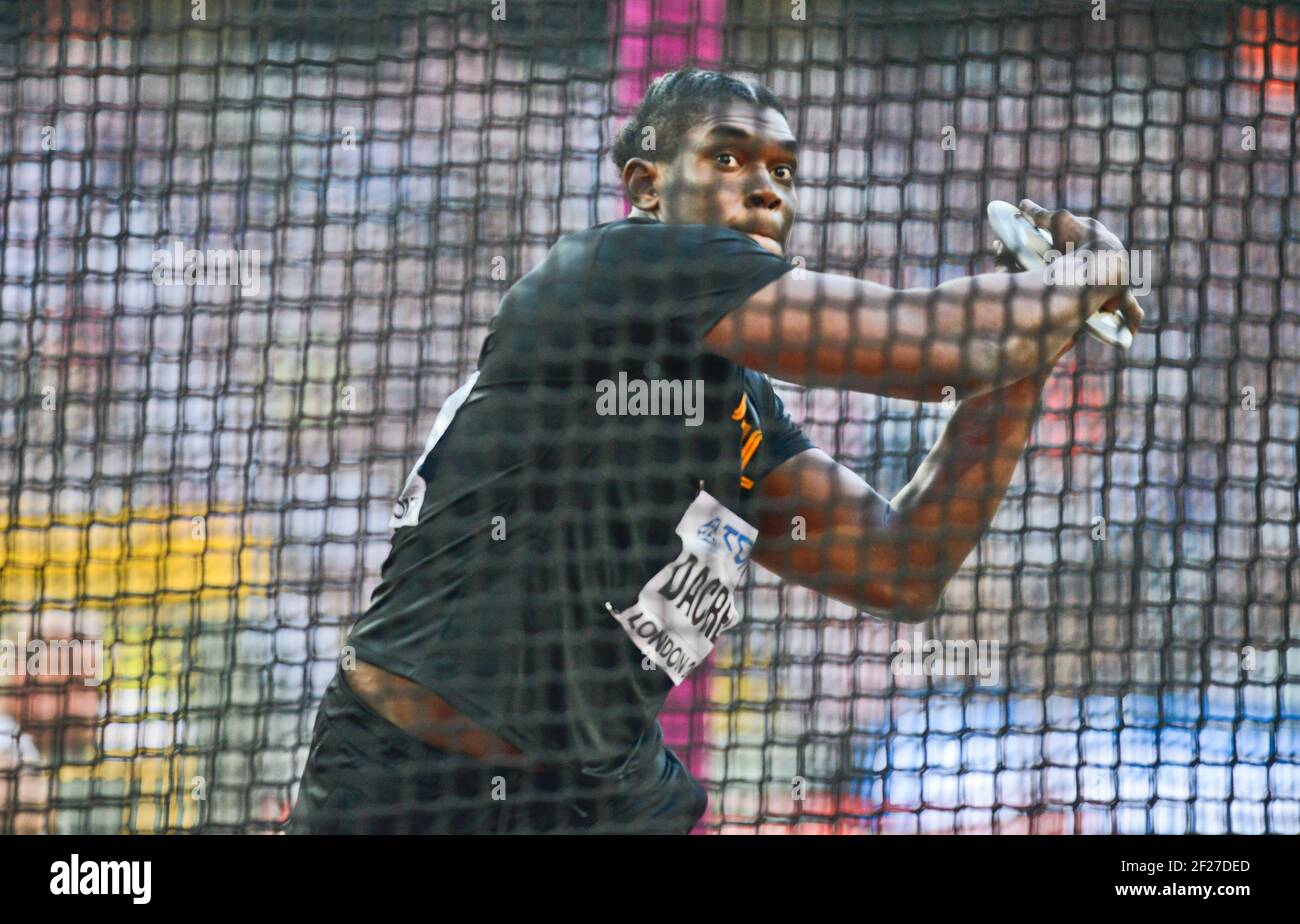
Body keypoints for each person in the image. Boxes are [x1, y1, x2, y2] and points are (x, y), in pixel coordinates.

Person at [289, 67, 1142, 834]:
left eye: (782, 169)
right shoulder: (621, 266)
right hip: (414, 785)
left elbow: (902, 565)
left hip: (593, 799)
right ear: (646, 184)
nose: (767, 188)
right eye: (729, 159)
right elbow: (937, 347)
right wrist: (1077, 277)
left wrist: (1038, 345)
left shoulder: (744, 408)